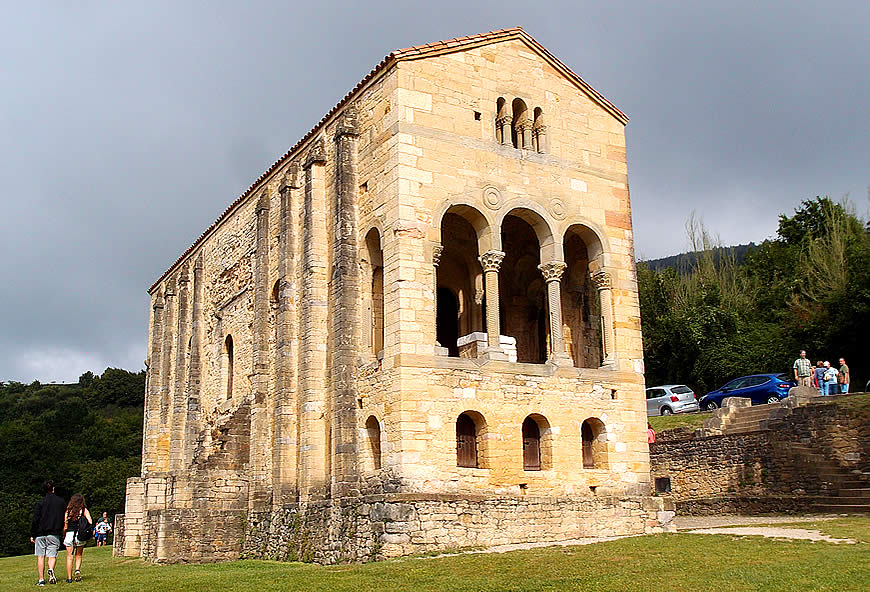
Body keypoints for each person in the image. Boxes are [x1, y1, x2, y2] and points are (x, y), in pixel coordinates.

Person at [30, 480, 65, 586]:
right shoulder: (61, 502)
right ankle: (50, 569)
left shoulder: (40, 502)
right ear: (53, 489)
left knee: (40, 556)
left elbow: (35, 519)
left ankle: (41, 579)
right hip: (54, 532)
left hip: (40, 533)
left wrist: (33, 534)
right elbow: (64, 517)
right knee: (52, 555)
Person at [63, 494, 92, 583]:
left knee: (69, 557)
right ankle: (77, 570)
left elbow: (65, 526)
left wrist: (63, 535)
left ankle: (69, 578)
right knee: (78, 555)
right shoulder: (83, 510)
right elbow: (90, 522)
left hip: (69, 535)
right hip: (80, 535)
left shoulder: (68, 511)